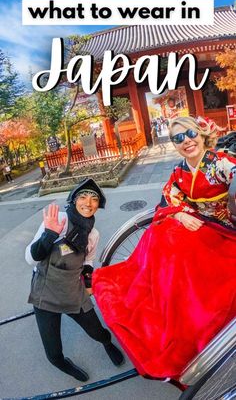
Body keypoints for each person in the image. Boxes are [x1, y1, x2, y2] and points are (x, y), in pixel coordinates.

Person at [92, 117, 236, 380]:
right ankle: (162, 303)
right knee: (161, 232)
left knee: (176, 247)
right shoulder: (180, 170)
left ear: (202, 134)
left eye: (190, 133)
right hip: (197, 222)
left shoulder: (220, 162)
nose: (187, 141)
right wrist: (180, 213)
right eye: (178, 138)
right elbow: (170, 195)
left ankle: (185, 320)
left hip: (224, 228)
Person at [25, 178, 124, 381]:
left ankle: (107, 344)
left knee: (98, 332)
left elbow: (88, 260)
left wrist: (88, 281)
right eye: (83, 196)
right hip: (45, 293)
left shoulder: (92, 233)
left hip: (73, 293)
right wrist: (49, 235)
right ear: (73, 199)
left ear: (98, 205)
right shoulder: (59, 219)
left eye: (94, 198)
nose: (88, 202)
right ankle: (65, 364)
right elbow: (30, 258)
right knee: (53, 354)